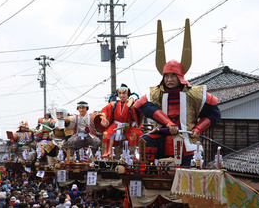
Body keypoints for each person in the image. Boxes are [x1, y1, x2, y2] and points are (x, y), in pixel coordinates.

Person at [133, 19, 221, 166]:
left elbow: (215, 114)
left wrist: (198, 129)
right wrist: (167, 123)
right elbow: (145, 106)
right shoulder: (156, 93)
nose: (169, 79)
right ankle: (148, 173)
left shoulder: (194, 94)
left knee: (189, 166)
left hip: (187, 139)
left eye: (173, 75)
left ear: (180, 76)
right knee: (145, 141)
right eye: (166, 76)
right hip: (162, 135)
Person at [94, 84, 143, 158]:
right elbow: (104, 111)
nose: (122, 95)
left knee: (135, 134)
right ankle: (108, 152)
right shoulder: (113, 104)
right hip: (116, 125)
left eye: (124, 93)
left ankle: (133, 155)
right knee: (107, 133)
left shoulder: (132, 104)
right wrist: (103, 118)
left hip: (128, 126)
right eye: (120, 93)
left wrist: (131, 123)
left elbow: (137, 115)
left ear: (128, 94)